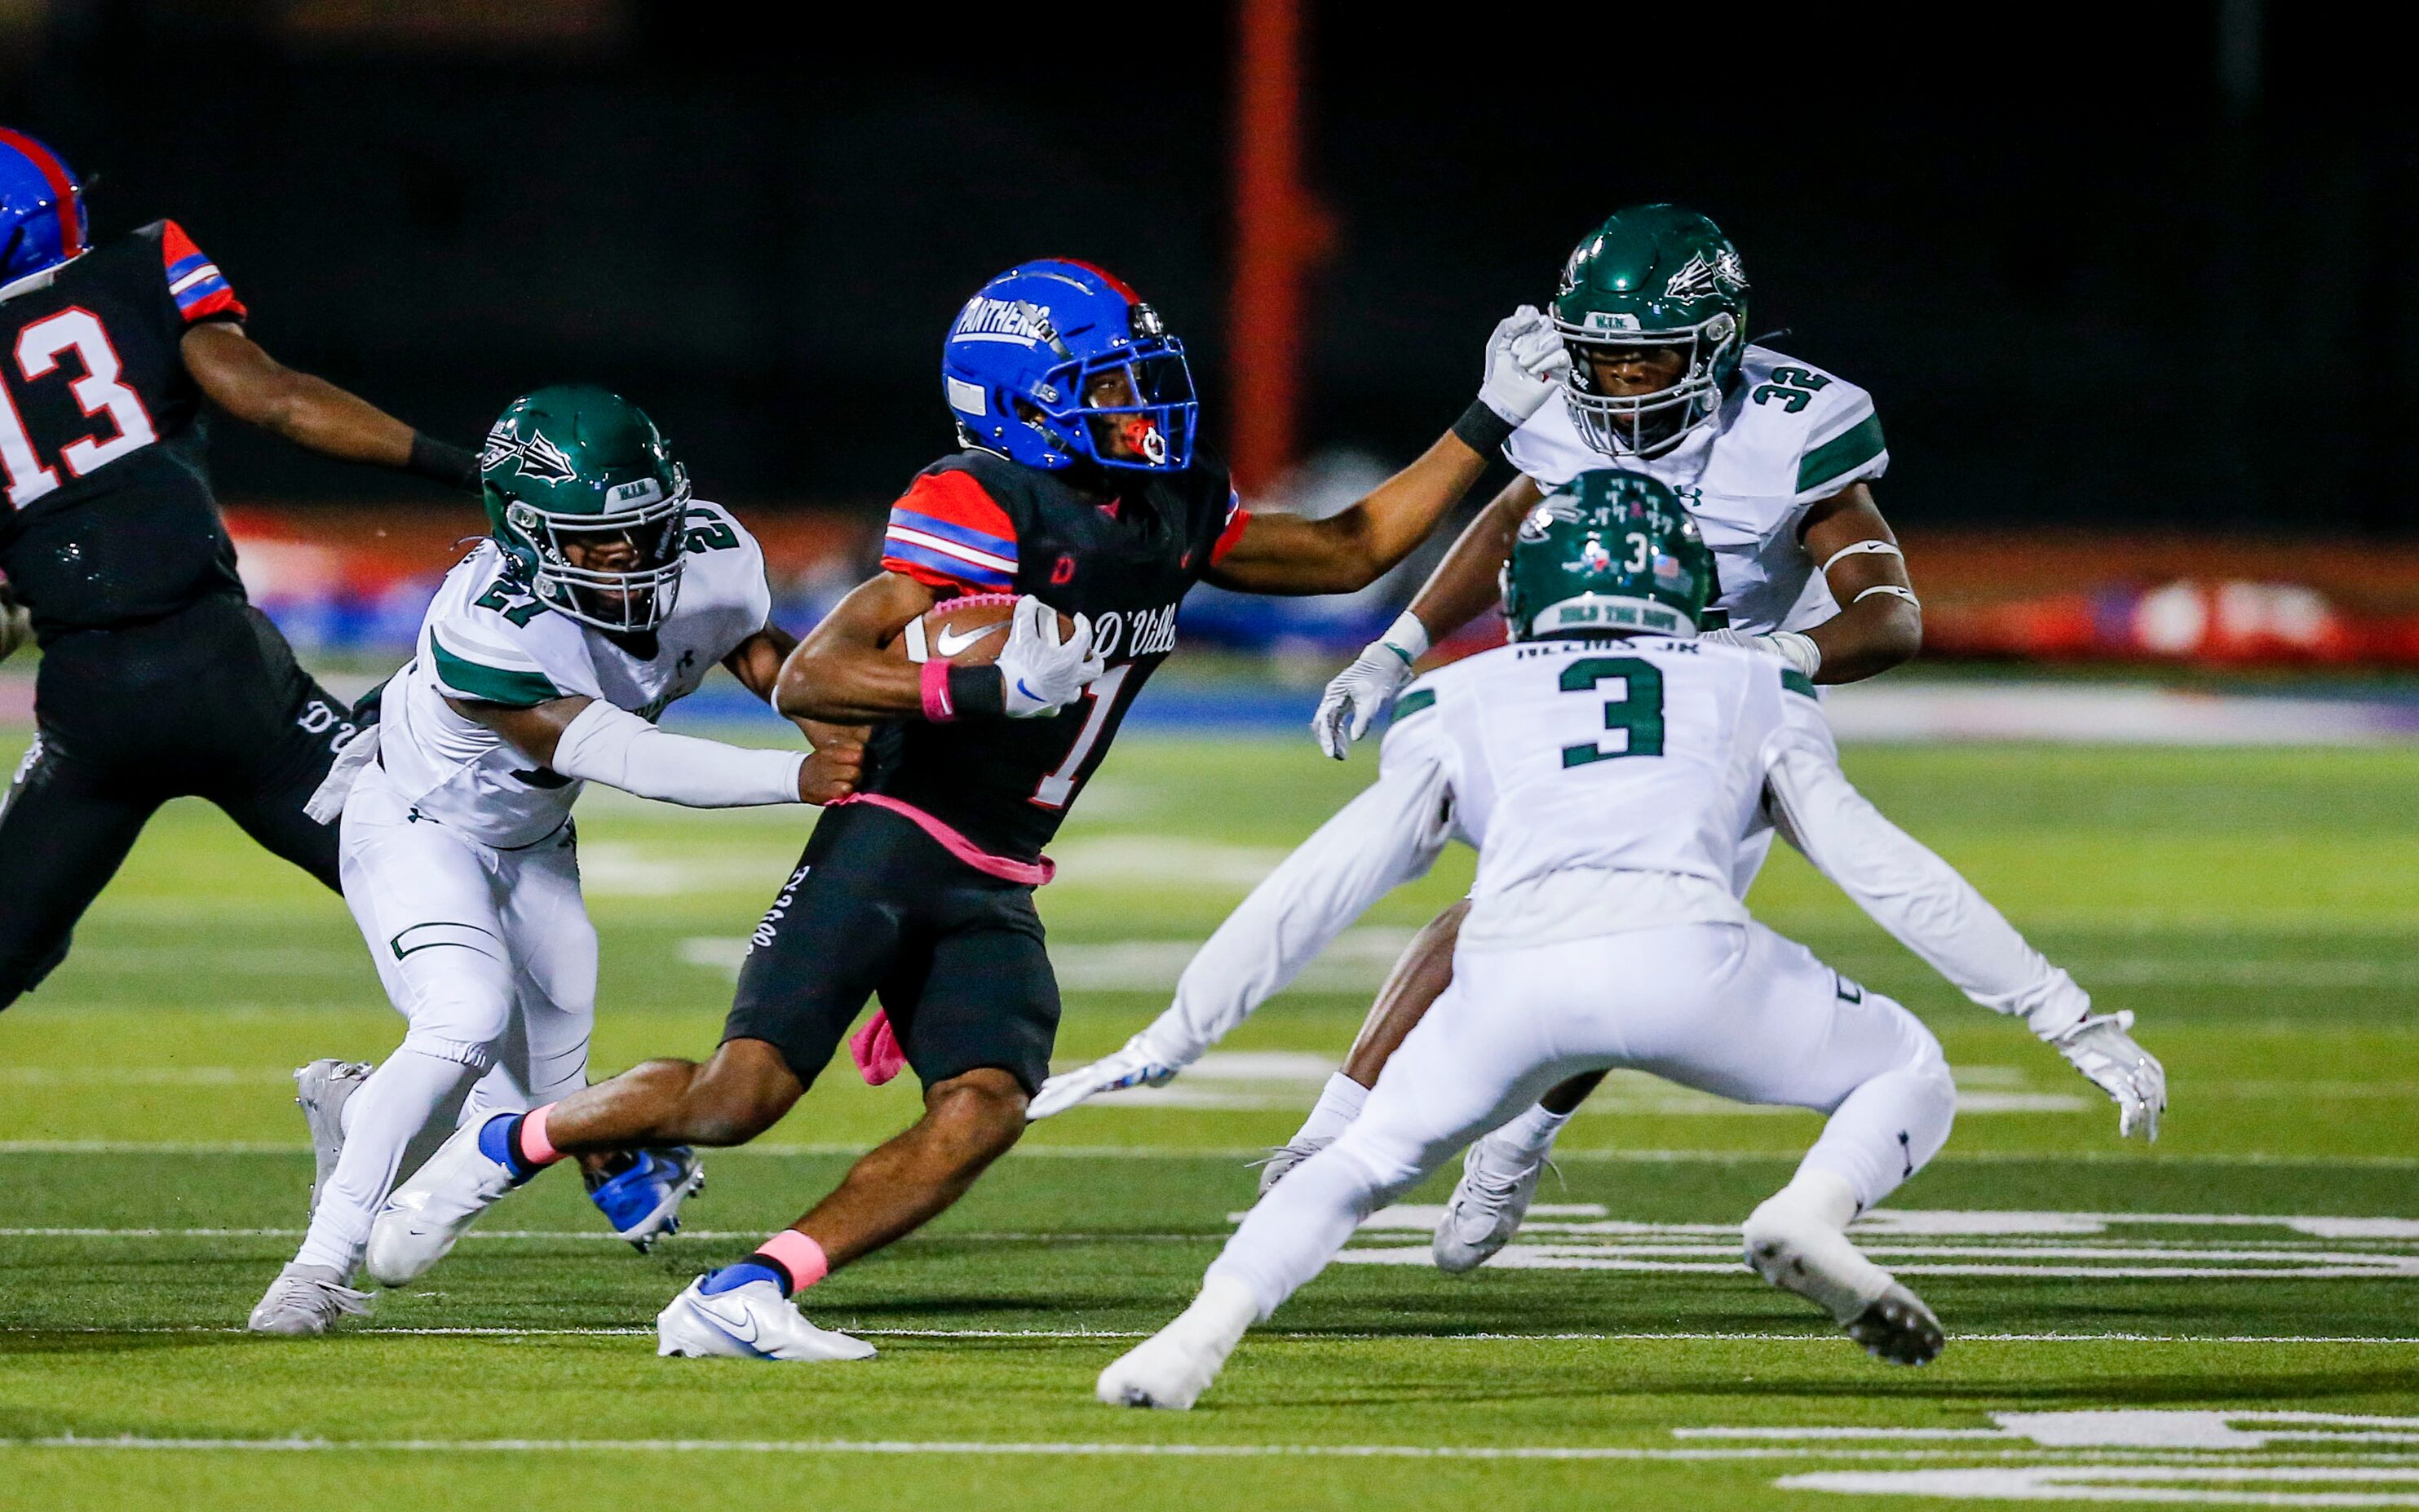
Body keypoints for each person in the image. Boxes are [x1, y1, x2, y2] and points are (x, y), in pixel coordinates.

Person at [363, 258, 1571, 1361]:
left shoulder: (1169, 505)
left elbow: (1350, 546)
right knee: (737, 1102)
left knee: (988, 1105)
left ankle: (751, 1288)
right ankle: (506, 1144)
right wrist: (985, 683)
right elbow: (815, 671)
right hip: (891, 831)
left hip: (999, 861)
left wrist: (1484, 424)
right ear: (1019, 403)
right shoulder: (982, 501)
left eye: (1139, 384)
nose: (1138, 410)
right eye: (1105, 391)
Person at [1095, 471, 2165, 1408]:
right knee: (1906, 1069)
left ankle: (1193, 1339)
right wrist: (2060, 1011)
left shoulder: (1456, 693)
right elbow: (1880, 867)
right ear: (1685, 585)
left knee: (1362, 1157)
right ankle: (1806, 1213)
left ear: (1526, 587)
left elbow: (1320, 883)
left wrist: (1179, 1031)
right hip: (1693, 964)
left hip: (1506, 974)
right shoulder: (1752, 677)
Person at [1037, 204, 1927, 1264]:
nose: (1615, 384)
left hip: (1720, 720)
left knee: (1631, 944)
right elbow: (1510, 516)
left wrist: (1783, 655)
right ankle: (1336, 1126)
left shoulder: (1792, 426)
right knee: (1509, 899)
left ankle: (1513, 1141)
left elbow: (1889, 613)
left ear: (1718, 343)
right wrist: (1398, 645)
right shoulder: (1562, 396)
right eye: (1596, 355)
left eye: (1644, 362)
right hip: (1565, 679)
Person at [246, 385, 864, 1334]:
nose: (629, 555)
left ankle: (362, 1112)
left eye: (645, 527)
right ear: (526, 534)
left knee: (533, 1111)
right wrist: (798, 777)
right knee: (464, 1015)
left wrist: (849, 727)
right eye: (593, 539)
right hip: (416, 820)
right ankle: (312, 1272)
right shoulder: (486, 620)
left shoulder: (711, 554)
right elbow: (614, 752)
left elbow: (759, 655)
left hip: (532, 840)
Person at [0, 127, 484, 1007]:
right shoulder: (140, 268)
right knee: (441, 894)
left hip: (89, 705)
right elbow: (278, 400)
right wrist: (471, 470)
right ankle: (592, 1133)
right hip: (223, 674)